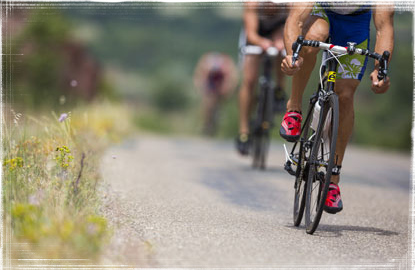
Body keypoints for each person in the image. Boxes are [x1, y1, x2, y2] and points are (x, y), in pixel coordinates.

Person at [280, 2, 394, 213]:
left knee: (345, 96)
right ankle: (294, 107)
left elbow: (384, 26)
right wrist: (291, 56)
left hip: (355, 22)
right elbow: (295, 18)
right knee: (313, 37)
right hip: (321, 12)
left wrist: (381, 71)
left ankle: (332, 177)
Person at [235, 2, 289, 155]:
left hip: (279, 30)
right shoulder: (253, 4)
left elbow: (290, 27)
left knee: (282, 51)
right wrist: (262, 42)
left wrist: (281, 42)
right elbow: (251, 34)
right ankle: (244, 131)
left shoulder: (288, 5)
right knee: (249, 80)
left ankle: (279, 89)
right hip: (255, 34)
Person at [193, 52, 238, 136]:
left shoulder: (226, 63)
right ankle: (206, 122)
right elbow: (200, 76)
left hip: (220, 83)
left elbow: (231, 78)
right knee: (207, 103)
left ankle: (216, 118)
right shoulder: (206, 61)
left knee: (218, 102)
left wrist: (227, 90)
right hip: (210, 84)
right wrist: (201, 88)